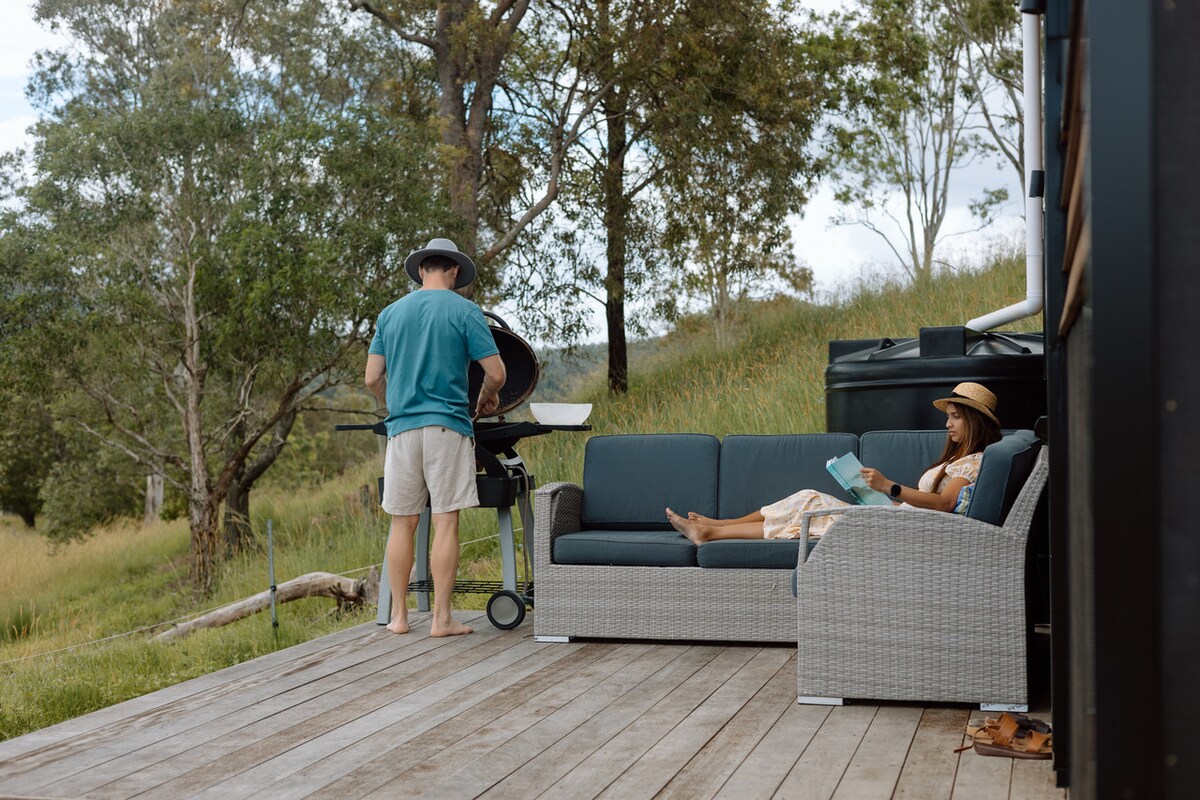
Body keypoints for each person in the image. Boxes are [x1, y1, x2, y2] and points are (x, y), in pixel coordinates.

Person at [365, 238, 506, 637]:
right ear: (455, 270)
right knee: (445, 521)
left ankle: (398, 617)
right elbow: (497, 373)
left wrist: (394, 404)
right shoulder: (465, 310)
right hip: (447, 427)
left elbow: (372, 378)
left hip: (402, 431)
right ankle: (441, 620)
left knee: (402, 523)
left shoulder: (390, 313)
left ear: (421, 269)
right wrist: (486, 396)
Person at [665, 382, 1003, 544]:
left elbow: (944, 504)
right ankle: (719, 525)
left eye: (955, 417)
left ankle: (710, 532)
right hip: (897, 519)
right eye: (949, 416)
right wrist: (885, 497)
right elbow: (934, 502)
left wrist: (890, 487)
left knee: (808, 507)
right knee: (807, 499)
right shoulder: (958, 459)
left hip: (901, 531)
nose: (947, 424)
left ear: (974, 421)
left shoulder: (973, 463)